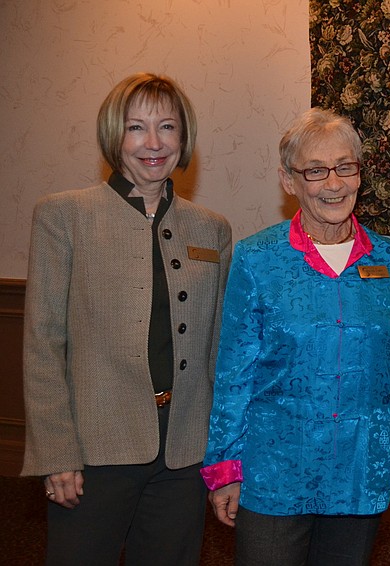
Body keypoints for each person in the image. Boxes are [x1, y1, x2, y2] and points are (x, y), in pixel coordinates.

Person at [21, 72, 232, 565]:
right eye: (136, 127)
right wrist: (57, 453)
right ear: (114, 136)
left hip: (184, 451)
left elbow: (220, 351)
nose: (153, 143)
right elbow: (43, 344)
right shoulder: (64, 216)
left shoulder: (212, 229)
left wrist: (224, 455)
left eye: (167, 127)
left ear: (185, 137)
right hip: (94, 451)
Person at [201, 107, 390, 566]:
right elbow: (234, 372)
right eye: (316, 171)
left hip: (361, 464)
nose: (334, 183)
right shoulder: (256, 258)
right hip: (274, 469)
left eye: (346, 167)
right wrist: (225, 466)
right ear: (289, 181)